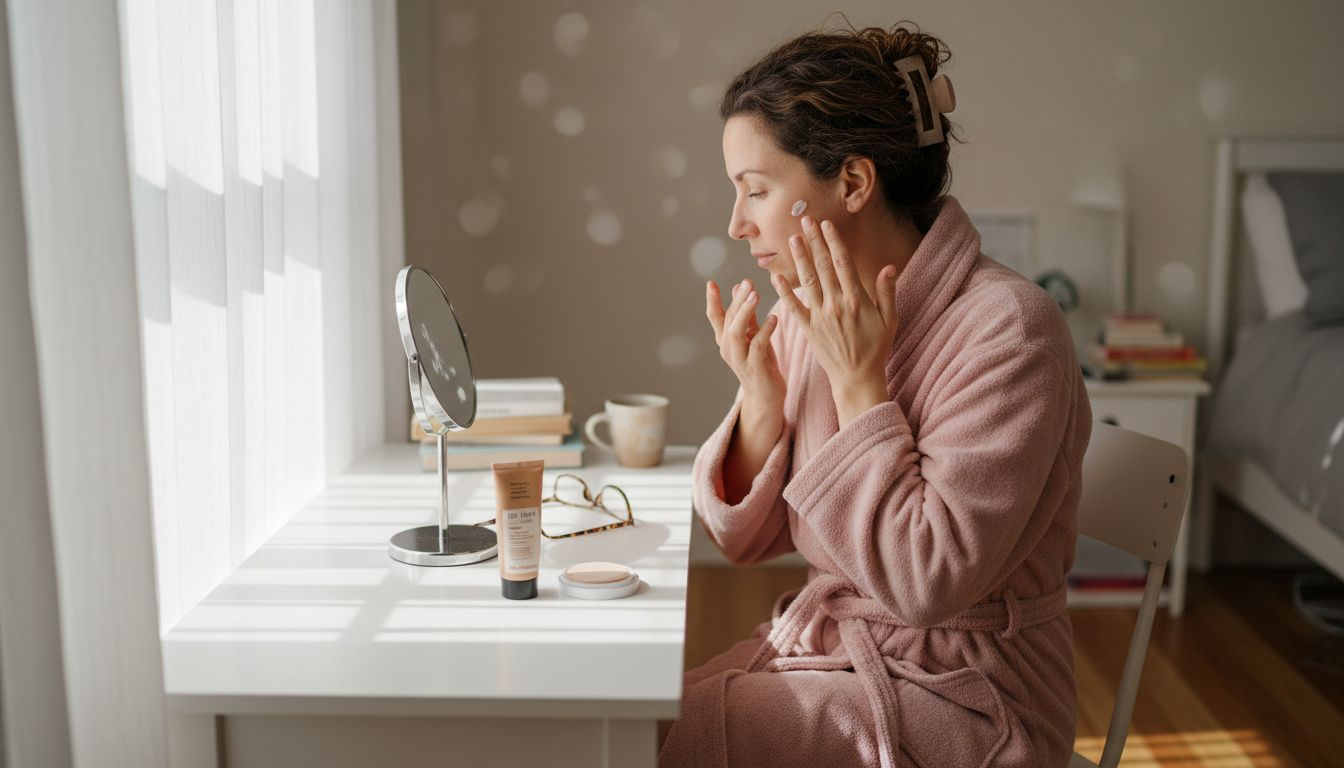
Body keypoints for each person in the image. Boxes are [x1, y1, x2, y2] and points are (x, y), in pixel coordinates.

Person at [658, 22, 1092, 768]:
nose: (737, 224)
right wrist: (762, 403)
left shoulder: (1012, 331)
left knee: (670, 734)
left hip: (974, 696)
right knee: (632, 714)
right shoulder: (811, 313)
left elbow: (926, 583)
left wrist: (862, 386)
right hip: (842, 655)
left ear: (854, 183)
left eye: (756, 191)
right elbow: (740, 542)